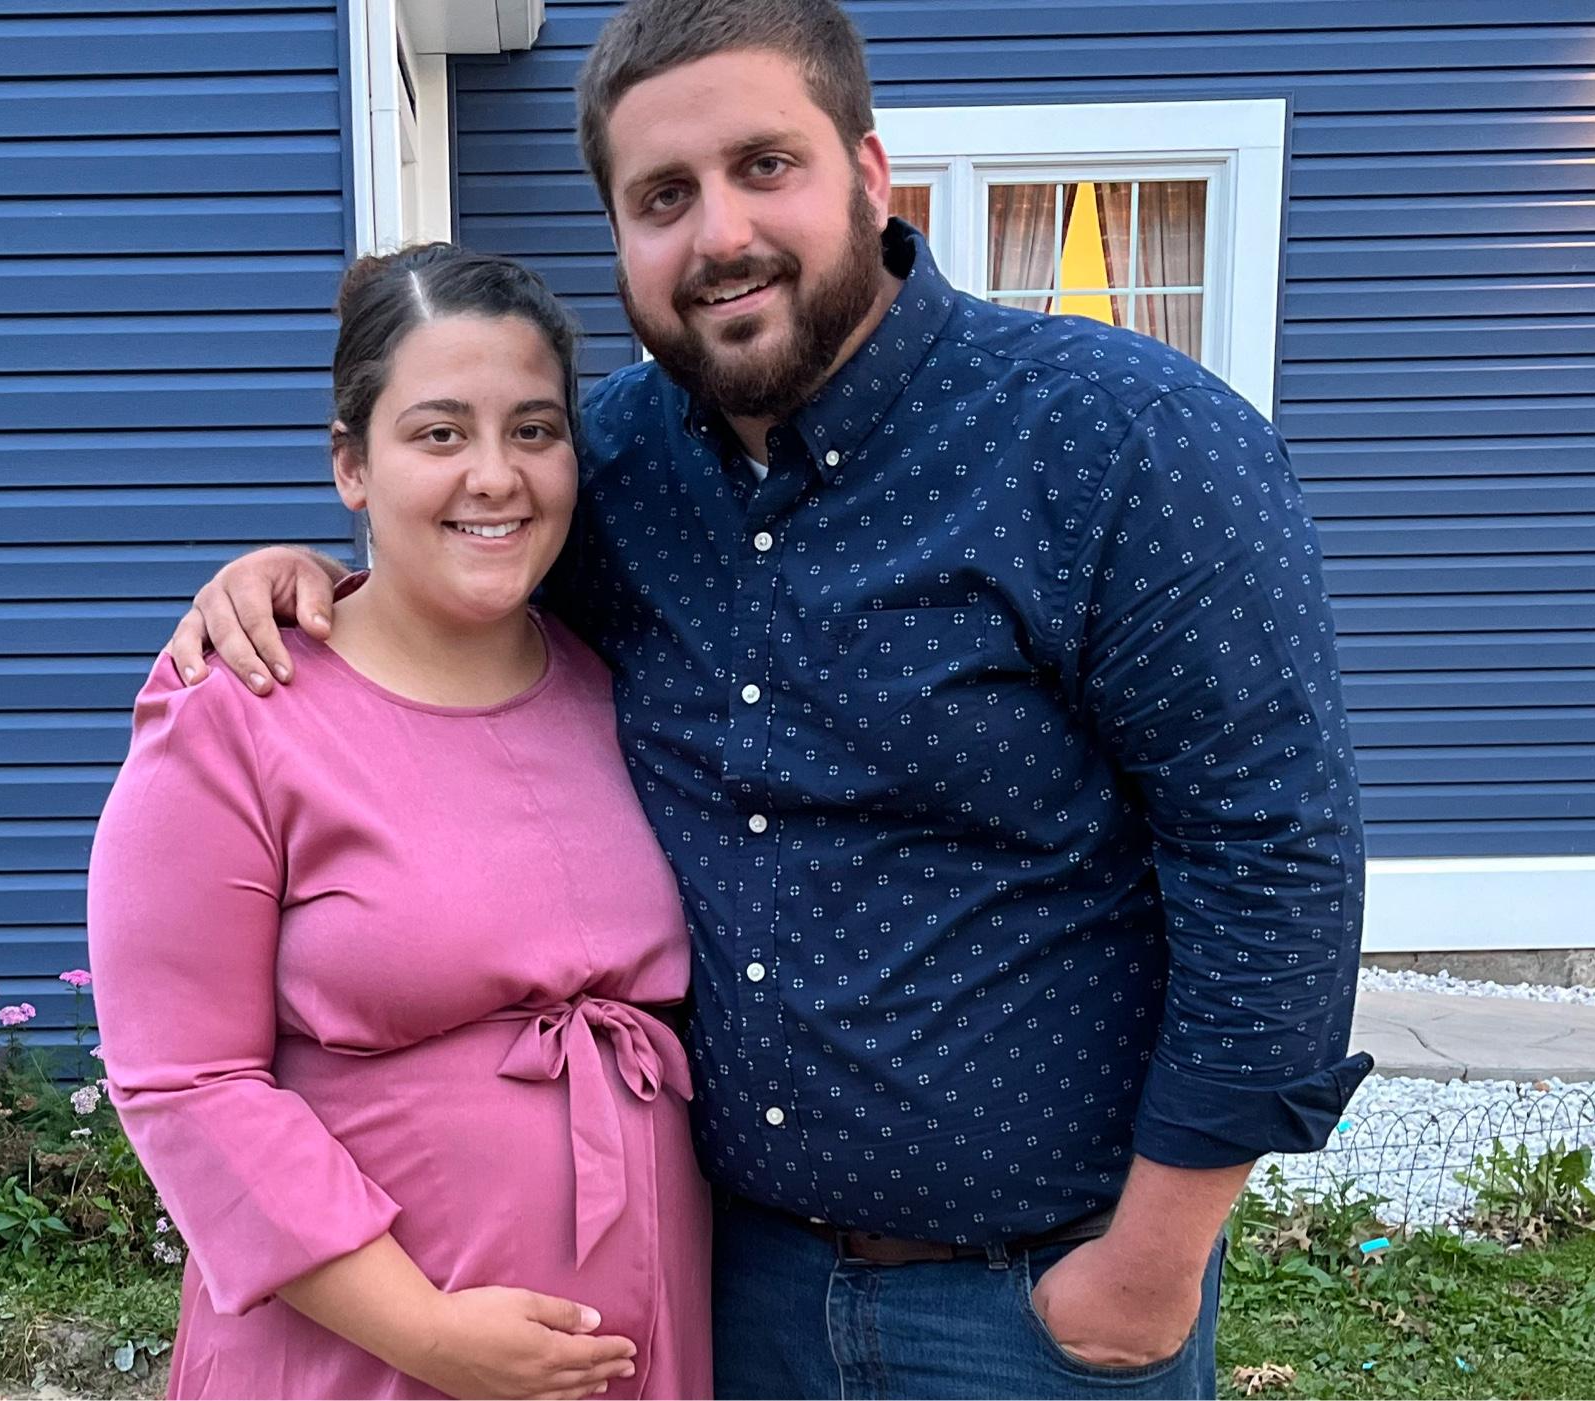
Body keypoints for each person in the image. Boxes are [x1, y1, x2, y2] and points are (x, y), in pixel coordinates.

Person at [166, 1, 1373, 1395]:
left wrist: (1152, 1265)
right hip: (720, 1288)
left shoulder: (1123, 442)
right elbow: (458, 571)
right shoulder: (606, 472)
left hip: (1031, 1302)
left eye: (764, 166)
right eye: (662, 197)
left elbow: (1270, 857)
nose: (719, 234)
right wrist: (306, 576)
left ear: (867, 173)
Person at [88, 244, 713, 1400]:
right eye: (439, 434)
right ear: (351, 464)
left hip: (630, 1337)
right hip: (361, 1354)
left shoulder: (616, 684)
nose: (495, 476)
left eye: (533, 430)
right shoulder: (236, 712)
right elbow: (185, 1083)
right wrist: (423, 1332)